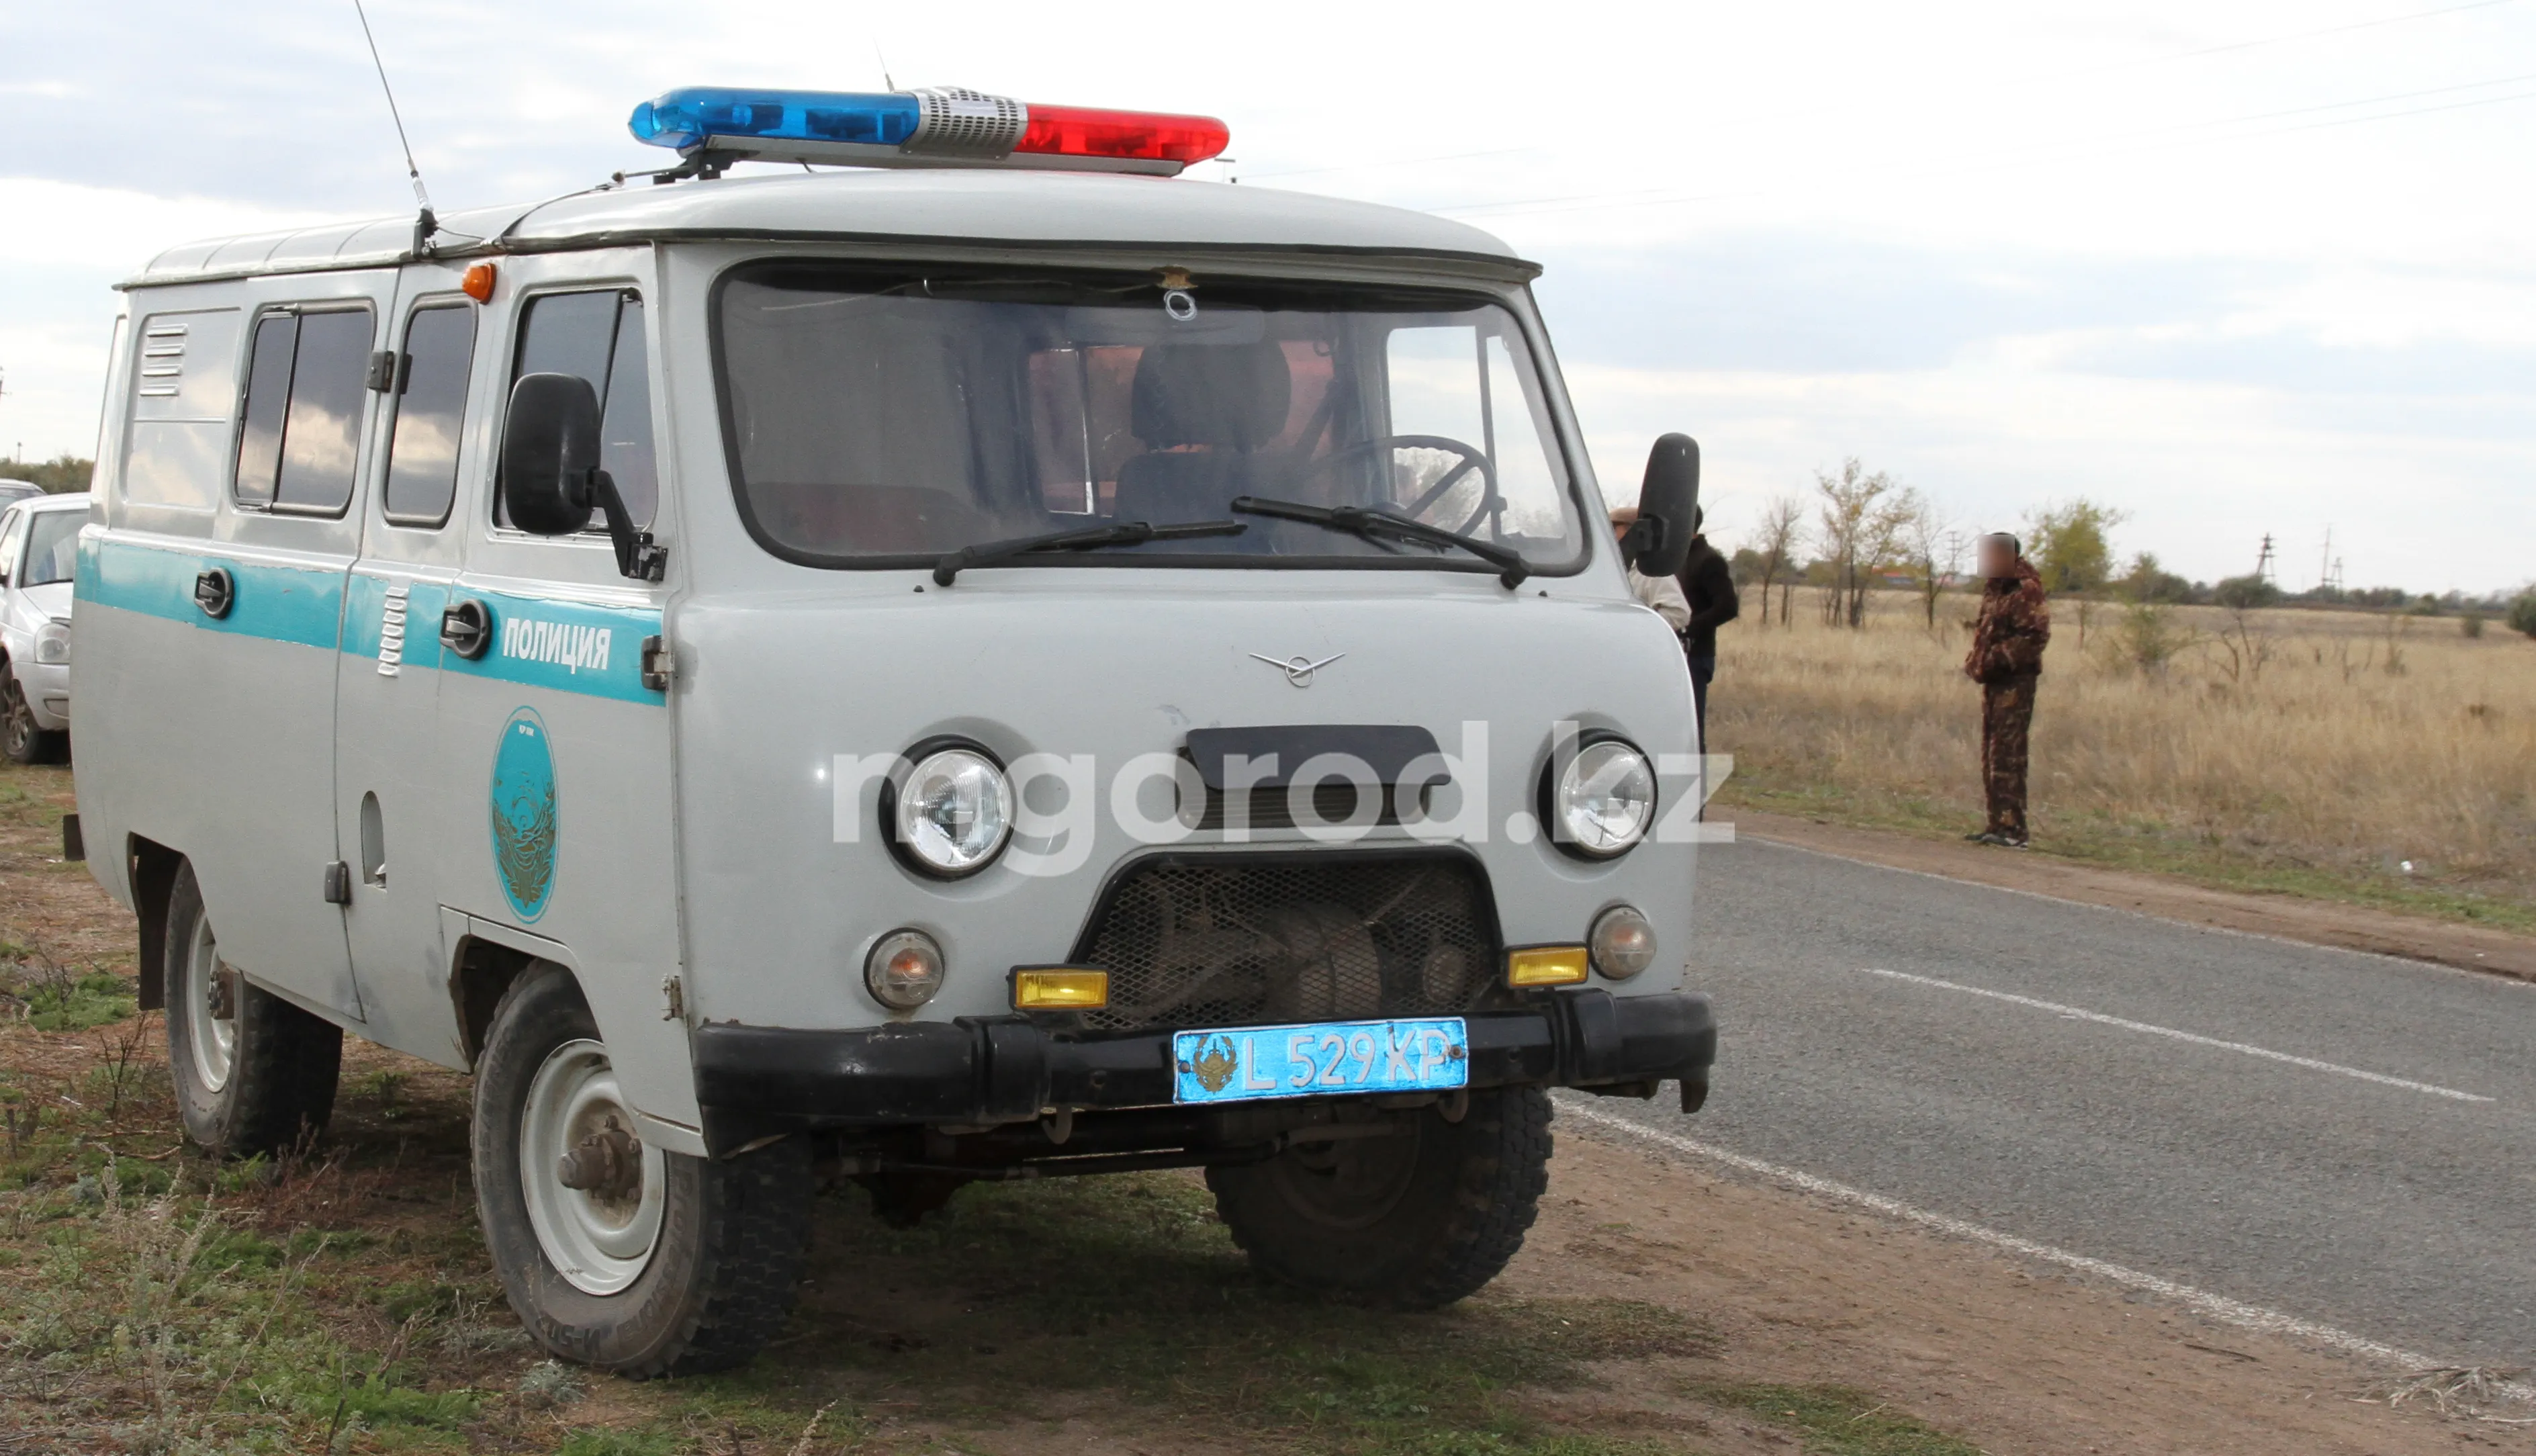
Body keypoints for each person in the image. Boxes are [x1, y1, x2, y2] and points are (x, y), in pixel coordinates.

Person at [1962, 532, 2050, 848]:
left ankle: (2015, 830)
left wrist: (1996, 661)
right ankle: (1997, 824)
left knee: (2009, 753)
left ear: (2012, 556)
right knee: (1992, 751)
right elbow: (1986, 632)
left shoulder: (2026, 590)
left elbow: (2034, 638)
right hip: (1994, 682)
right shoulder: (1994, 590)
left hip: (2016, 682)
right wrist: (1976, 662)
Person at [1673, 506, 1739, 747]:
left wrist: (1686, 629)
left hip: (1696, 655)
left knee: (1690, 729)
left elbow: (1728, 606)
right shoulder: (1675, 559)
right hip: (1674, 652)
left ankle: (1694, 785)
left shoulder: (1709, 560)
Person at [1609, 506, 1691, 633]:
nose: (1608, 534)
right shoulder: (1611, 568)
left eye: (1613, 527)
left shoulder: (1650, 571)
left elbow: (1679, 614)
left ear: (1633, 530)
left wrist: (1635, 627)